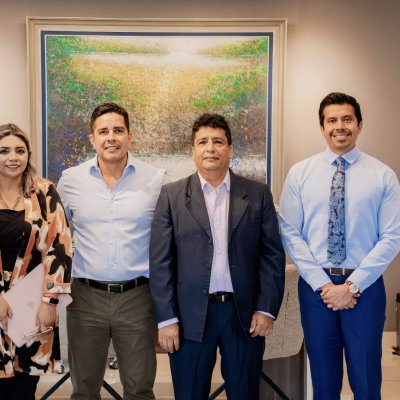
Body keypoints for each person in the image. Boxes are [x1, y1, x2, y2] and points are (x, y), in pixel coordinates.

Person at [149, 113, 285, 400]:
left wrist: (266, 309)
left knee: (245, 393)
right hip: (189, 316)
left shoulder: (257, 194)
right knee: (189, 393)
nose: (210, 148)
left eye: (218, 142)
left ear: (230, 149)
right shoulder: (172, 196)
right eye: (203, 142)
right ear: (193, 150)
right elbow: (161, 263)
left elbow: (271, 256)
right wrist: (166, 319)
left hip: (244, 315)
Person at [279, 92, 400, 400]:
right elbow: (290, 232)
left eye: (347, 119)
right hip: (316, 289)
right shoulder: (300, 174)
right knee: (323, 381)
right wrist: (324, 285)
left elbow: (392, 236)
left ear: (359, 124)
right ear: (322, 127)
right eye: (331, 120)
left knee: (367, 380)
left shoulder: (383, 176)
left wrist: (353, 285)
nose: (339, 126)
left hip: (365, 288)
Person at [57, 102, 166, 400]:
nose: (111, 138)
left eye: (118, 130)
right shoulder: (71, 180)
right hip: (85, 297)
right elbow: (56, 237)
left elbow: (167, 241)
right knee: (84, 389)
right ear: (92, 138)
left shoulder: (156, 180)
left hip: (138, 297)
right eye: (103, 132)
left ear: (130, 136)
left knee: (140, 389)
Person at [0, 123, 72, 400]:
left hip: (30, 307)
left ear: (28, 154)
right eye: (4, 151)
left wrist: (49, 302)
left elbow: (60, 247)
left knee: (23, 390)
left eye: (20, 150)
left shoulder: (44, 192)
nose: (13, 157)